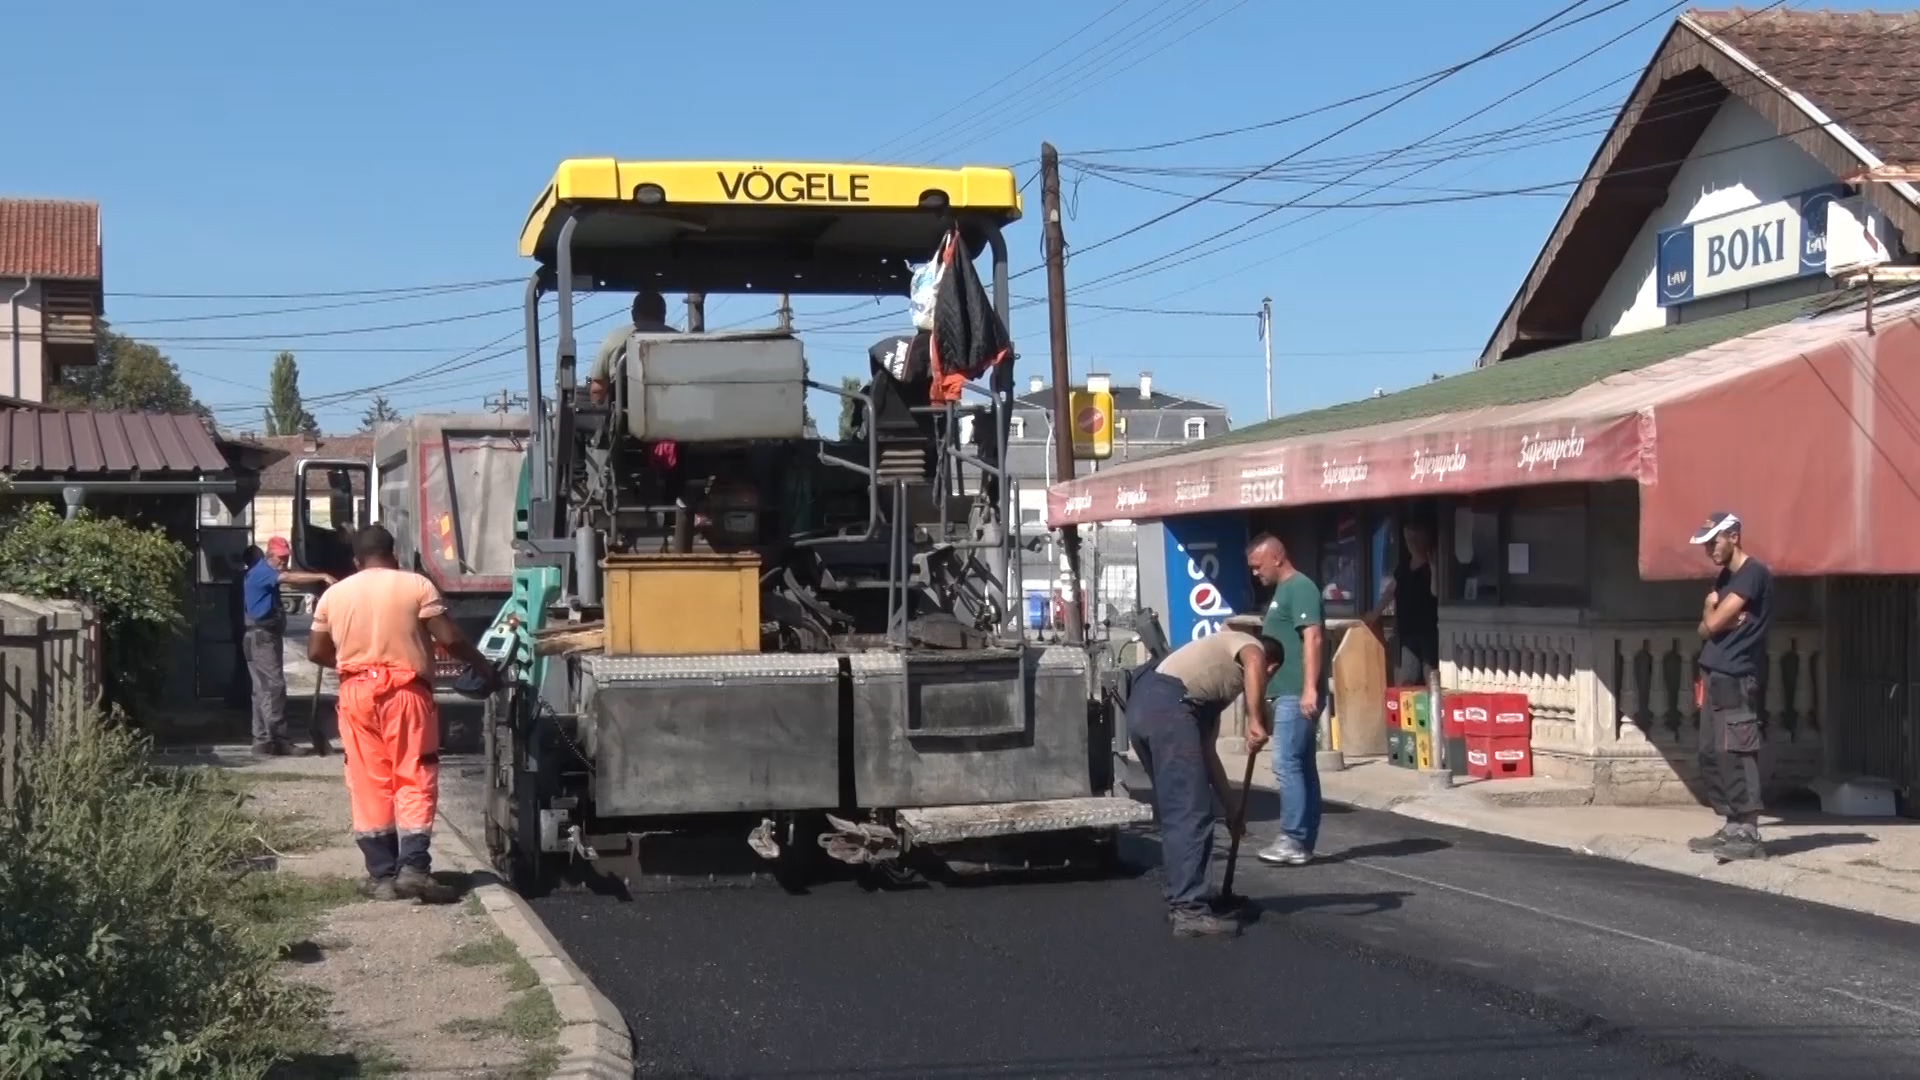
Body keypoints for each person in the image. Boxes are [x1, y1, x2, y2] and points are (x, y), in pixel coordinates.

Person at [308, 525, 499, 900]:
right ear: (393, 554)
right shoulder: (416, 586)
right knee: (413, 773)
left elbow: (315, 652)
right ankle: (412, 869)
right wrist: (482, 665)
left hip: (356, 692)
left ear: (356, 561)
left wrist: (354, 664)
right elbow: (449, 638)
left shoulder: (334, 595)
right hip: (406, 692)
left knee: (368, 780)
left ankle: (381, 876)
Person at [1128, 627, 1282, 937]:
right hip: (1168, 710)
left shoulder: (1210, 687)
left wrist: (1231, 809)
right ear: (1272, 668)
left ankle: (1185, 895)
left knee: (1182, 810)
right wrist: (1255, 721)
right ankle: (1189, 909)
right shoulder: (1250, 646)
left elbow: (1208, 754)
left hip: (1145, 709)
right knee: (1190, 813)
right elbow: (1254, 659)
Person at [1687, 512, 1773, 862]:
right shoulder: (1726, 577)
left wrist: (1712, 613)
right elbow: (1705, 629)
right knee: (1712, 752)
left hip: (1737, 676)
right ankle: (1731, 825)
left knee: (1737, 750)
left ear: (1734, 536)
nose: (1709, 550)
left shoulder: (1753, 574)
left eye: (1714, 542)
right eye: (1706, 544)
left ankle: (1749, 832)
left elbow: (1714, 621)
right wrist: (1712, 617)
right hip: (1715, 674)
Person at [1247, 534, 1327, 867]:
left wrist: (1309, 687)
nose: (1255, 573)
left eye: (1258, 565)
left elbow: (1314, 636)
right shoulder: (1283, 592)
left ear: (1277, 557)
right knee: (1302, 766)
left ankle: (1293, 838)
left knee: (1286, 764)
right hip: (1286, 690)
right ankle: (1302, 840)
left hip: (1296, 691)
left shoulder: (1301, 587)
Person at [242, 537, 335, 757]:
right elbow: (288, 577)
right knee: (274, 688)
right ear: (269, 556)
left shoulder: (263, 572)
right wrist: (322, 575)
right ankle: (279, 740)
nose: (284, 562)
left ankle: (262, 740)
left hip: (261, 637)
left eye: (286, 558)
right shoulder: (263, 572)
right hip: (261, 638)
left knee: (262, 690)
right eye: (280, 558)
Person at [1366, 520, 1439, 686]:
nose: (1410, 543)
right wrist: (1375, 613)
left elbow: (1436, 590)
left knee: (1430, 675)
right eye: (1407, 539)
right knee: (1408, 678)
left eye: (1413, 539)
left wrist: (1434, 567)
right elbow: (1391, 590)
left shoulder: (1431, 564)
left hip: (1428, 630)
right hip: (1407, 628)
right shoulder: (1404, 565)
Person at [588, 289, 677, 405]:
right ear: (663, 314)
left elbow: (597, 390)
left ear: (633, 314)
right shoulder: (681, 341)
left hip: (627, 416)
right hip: (676, 413)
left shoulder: (614, 339)